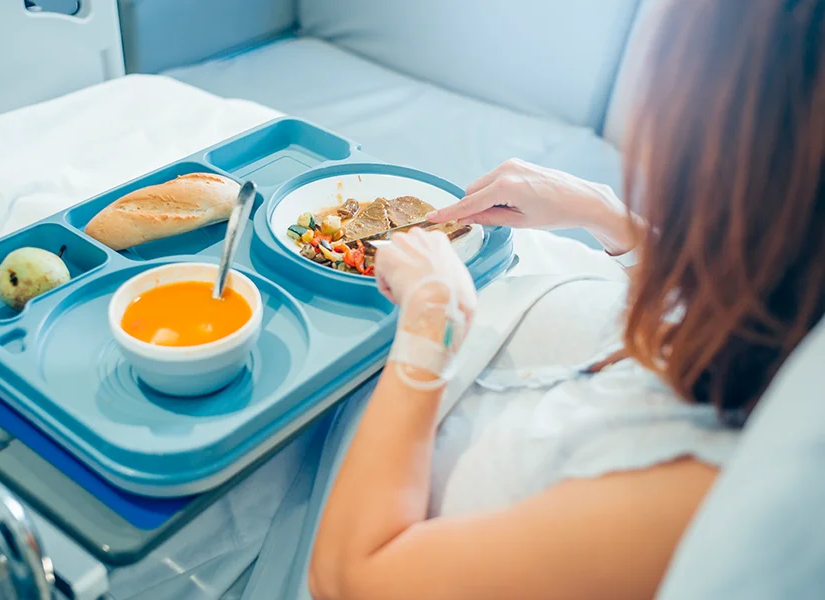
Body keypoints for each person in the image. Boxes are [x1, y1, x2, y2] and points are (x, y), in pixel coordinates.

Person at [308, 1, 825, 599]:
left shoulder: (696, 502)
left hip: (354, 439)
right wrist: (608, 216)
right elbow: (766, 294)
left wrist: (433, 324)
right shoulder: (787, 316)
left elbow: (349, 575)